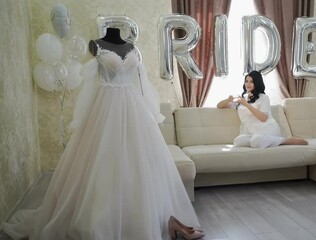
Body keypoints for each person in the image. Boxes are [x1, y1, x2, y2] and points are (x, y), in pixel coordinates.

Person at [1, 27, 203, 240]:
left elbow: (143, 84)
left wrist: (152, 113)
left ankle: (151, 217)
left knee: (140, 164)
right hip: (105, 108)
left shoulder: (132, 47)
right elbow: (88, 87)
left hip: (134, 109)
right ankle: (102, 220)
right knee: (104, 162)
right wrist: (81, 119)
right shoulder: (95, 44)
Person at [217, 70, 308, 148]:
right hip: (253, 132)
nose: (248, 84)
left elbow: (263, 118)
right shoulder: (242, 99)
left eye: (251, 82)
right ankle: (261, 141)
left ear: (257, 83)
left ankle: (284, 141)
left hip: (267, 129)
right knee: (238, 141)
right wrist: (228, 99)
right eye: (246, 81)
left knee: (256, 141)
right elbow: (219, 105)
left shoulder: (263, 97)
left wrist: (246, 104)